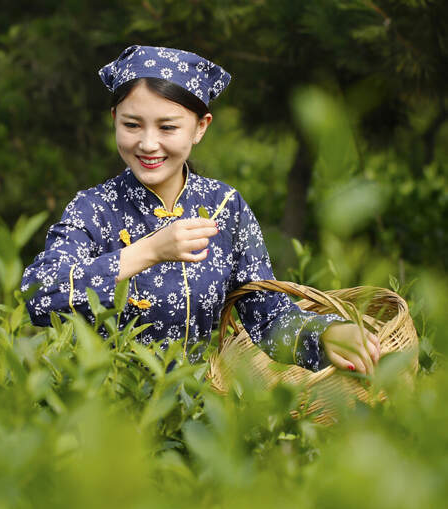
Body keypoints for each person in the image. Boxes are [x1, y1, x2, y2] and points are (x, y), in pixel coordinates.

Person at [21, 45, 380, 373]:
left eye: (168, 127)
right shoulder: (94, 208)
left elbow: (267, 316)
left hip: (197, 409)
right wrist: (148, 251)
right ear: (114, 118)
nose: (148, 143)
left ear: (199, 128)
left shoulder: (225, 207)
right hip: (108, 409)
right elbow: (38, 294)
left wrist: (328, 333)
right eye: (131, 125)